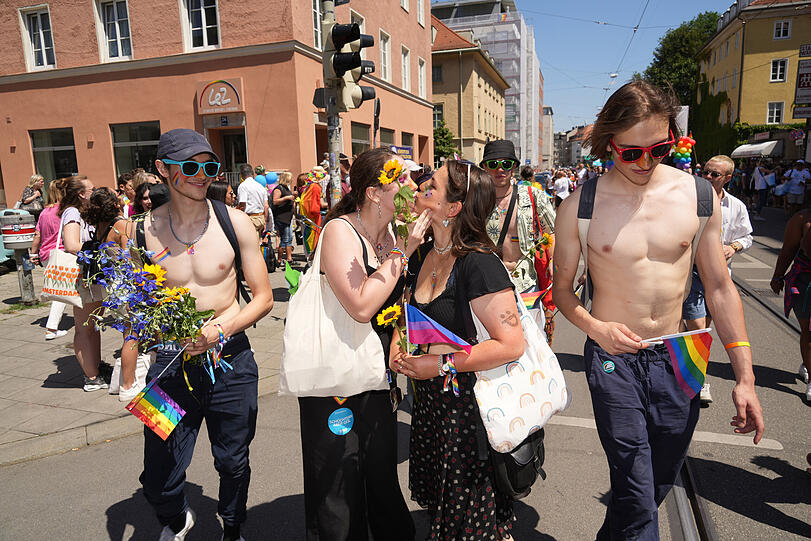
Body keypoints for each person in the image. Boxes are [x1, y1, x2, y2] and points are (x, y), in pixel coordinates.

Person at [553, 81, 764, 541]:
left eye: (659, 149)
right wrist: (595, 327)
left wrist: (745, 377)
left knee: (654, 485)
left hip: (680, 356)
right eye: (631, 153)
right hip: (614, 360)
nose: (646, 163)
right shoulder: (578, 206)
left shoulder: (698, 197)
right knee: (633, 482)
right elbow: (562, 293)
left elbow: (720, 288)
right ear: (610, 143)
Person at [138, 129, 273, 541]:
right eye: (190, 167)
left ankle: (232, 527)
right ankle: (176, 519)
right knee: (157, 474)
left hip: (231, 361)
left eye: (209, 167)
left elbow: (264, 298)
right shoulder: (144, 229)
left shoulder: (234, 222)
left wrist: (219, 329)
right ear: (163, 170)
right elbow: (134, 302)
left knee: (232, 461)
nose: (202, 175)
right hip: (169, 363)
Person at [299, 148, 430, 541]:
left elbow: (397, 300)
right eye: (401, 180)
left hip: (377, 372)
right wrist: (403, 252)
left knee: (379, 469)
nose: (411, 187)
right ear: (375, 192)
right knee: (339, 475)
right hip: (337, 377)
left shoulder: (389, 232)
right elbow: (360, 304)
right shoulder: (340, 230)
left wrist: (401, 338)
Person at [394, 160, 525, 540]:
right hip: (432, 403)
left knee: (468, 518)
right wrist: (402, 344)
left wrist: (439, 365)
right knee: (443, 506)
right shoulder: (420, 254)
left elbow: (511, 344)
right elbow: (406, 312)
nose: (419, 188)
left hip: (469, 409)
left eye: (429, 186)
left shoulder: (480, 264)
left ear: (453, 208)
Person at [682, 155, 753, 405]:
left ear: (728, 178)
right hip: (690, 273)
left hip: (719, 276)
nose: (708, 178)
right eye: (705, 172)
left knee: (704, 329)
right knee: (697, 326)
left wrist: (733, 247)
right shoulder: (688, 201)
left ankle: (688, 372)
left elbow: (747, 236)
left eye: (715, 175)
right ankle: (699, 380)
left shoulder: (736, 206)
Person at [480, 140, 556, 340]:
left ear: (514, 166)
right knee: (494, 346)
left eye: (506, 164)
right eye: (493, 164)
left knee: (532, 343)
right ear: (485, 167)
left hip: (526, 284)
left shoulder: (533, 196)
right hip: (489, 286)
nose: (500, 169)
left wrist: (553, 261)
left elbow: (554, 231)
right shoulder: (476, 200)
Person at [81, 187, 142, 401]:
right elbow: (129, 258)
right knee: (131, 335)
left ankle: (129, 380)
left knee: (129, 333)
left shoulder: (100, 226)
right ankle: (128, 385)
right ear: (115, 204)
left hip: (111, 287)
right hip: (125, 285)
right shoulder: (122, 225)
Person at [59, 175, 109, 392]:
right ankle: (91, 377)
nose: (95, 191)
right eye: (92, 188)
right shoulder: (72, 212)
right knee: (84, 327)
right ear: (81, 194)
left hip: (91, 275)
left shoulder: (86, 212)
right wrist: (101, 250)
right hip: (82, 276)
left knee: (92, 325)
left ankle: (96, 367)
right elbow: (71, 244)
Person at [770, 208, 811, 402]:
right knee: (809, 330)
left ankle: (807, 363)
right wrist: (778, 275)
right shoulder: (802, 219)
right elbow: (789, 248)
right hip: (806, 280)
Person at [29, 179, 69, 340]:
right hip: (60, 254)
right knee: (62, 292)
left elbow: (37, 235)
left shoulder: (45, 212)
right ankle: (51, 328)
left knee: (64, 288)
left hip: (46, 255)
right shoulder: (64, 211)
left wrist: (33, 254)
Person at [236, 163, 269, 239]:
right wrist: (265, 220)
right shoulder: (260, 186)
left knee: (251, 243)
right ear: (252, 174)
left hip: (251, 218)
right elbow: (266, 206)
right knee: (258, 241)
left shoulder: (243, 186)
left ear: (241, 175)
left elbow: (242, 204)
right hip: (261, 217)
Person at [271, 171, 295, 266]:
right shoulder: (279, 188)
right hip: (281, 217)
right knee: (285, 239)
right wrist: (287, 198)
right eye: (290, 178)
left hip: (287, 217)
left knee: (288, 238)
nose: (291, 180)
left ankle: (287, 258)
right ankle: (282, 259)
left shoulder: (285, 188)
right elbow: (275, 201)